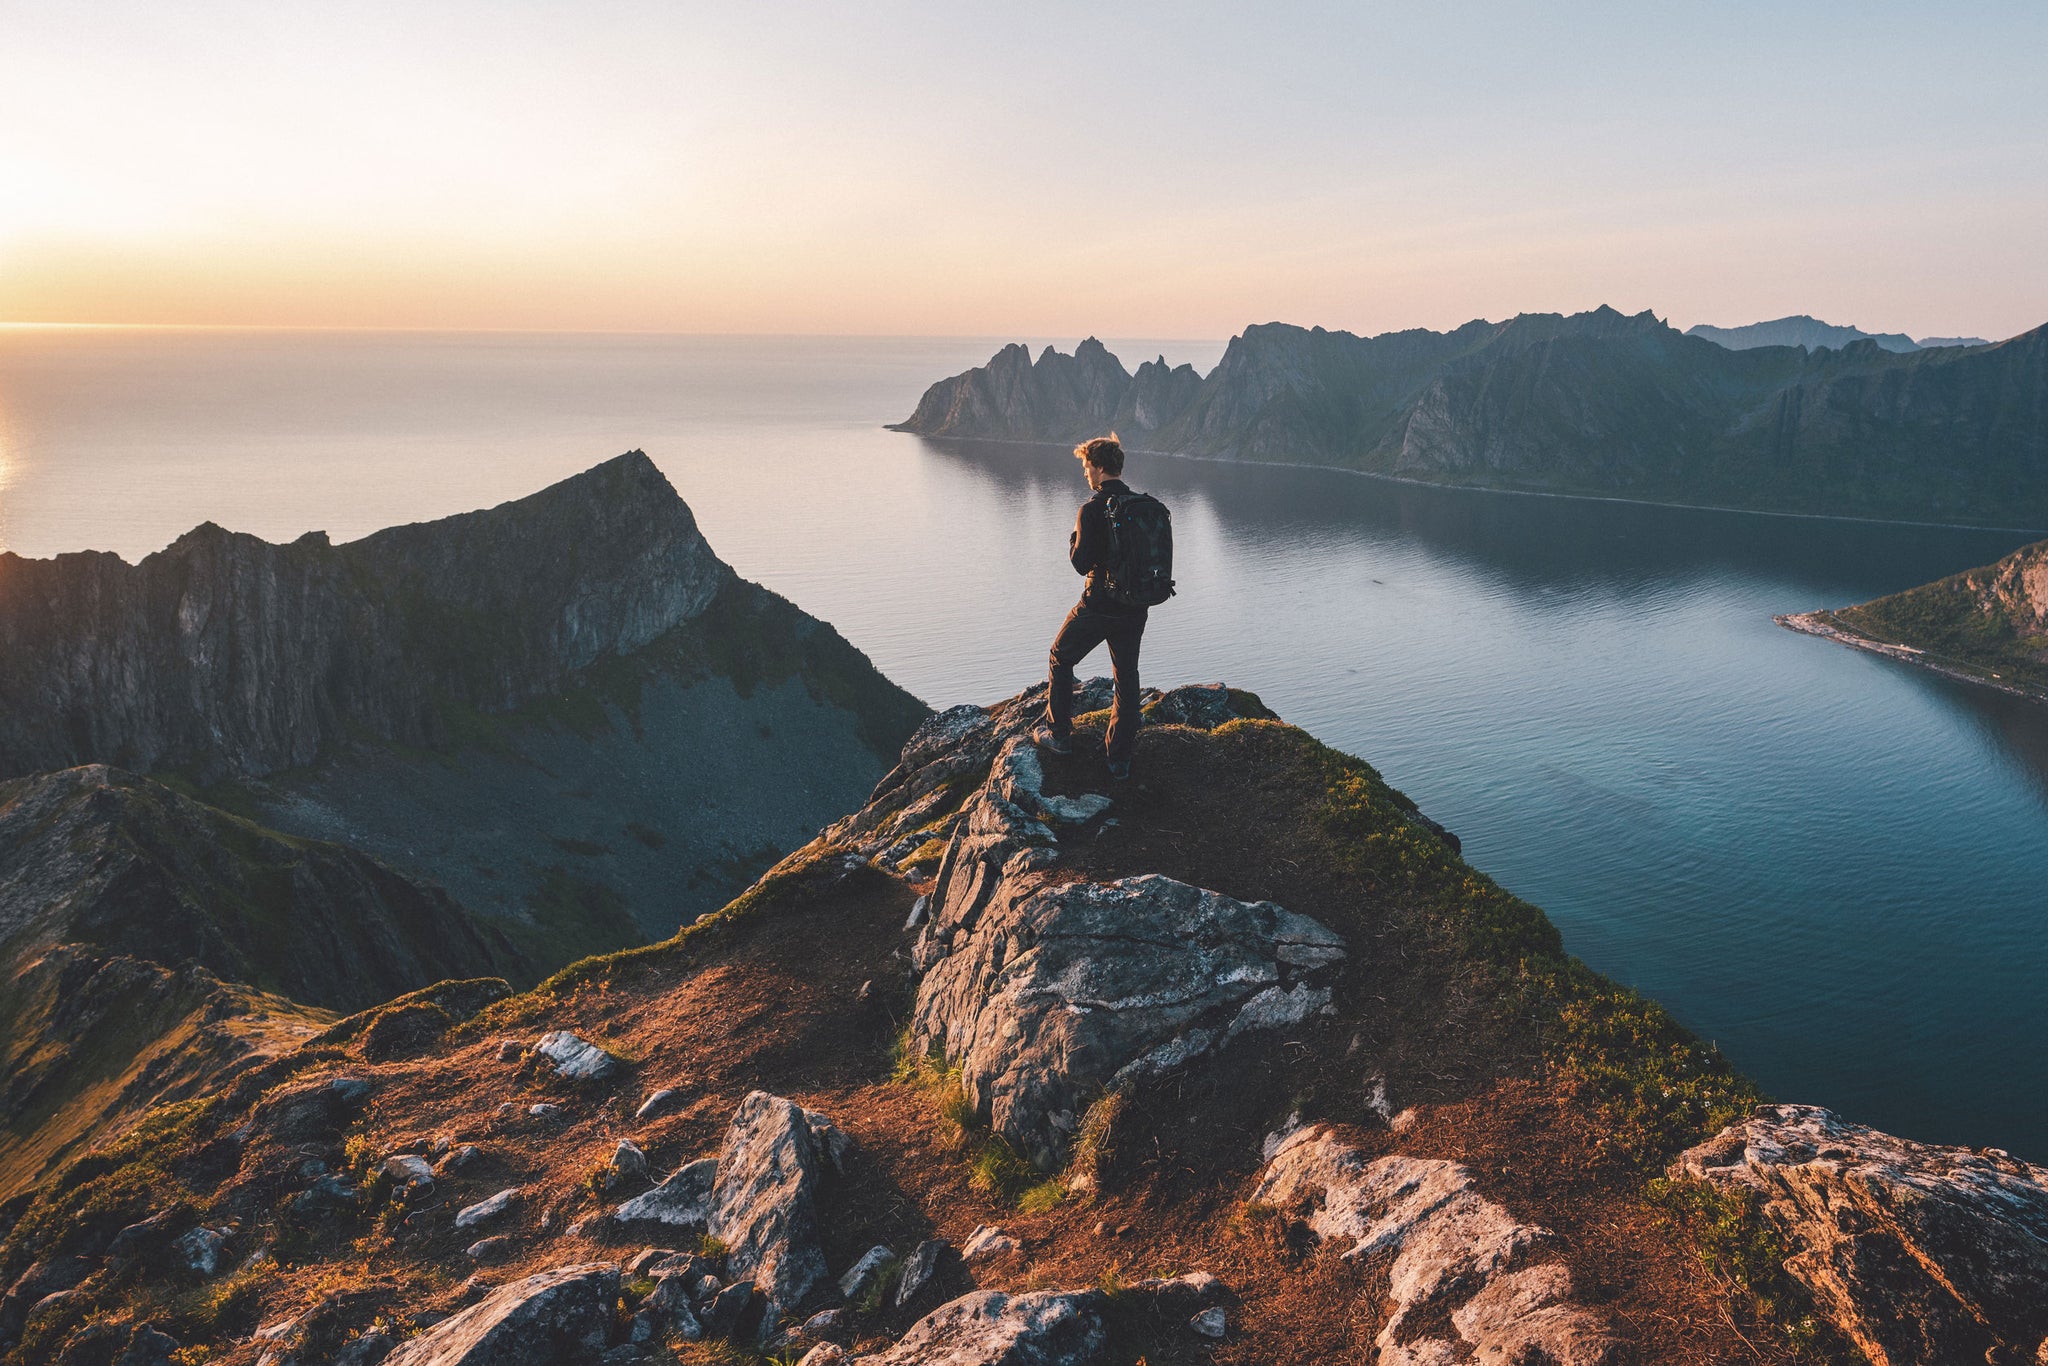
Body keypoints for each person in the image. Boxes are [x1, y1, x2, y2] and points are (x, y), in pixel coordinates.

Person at [1041, 434, 1154, 779]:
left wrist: (1074, 539)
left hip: (1097, 606)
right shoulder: (1142, 506)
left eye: (1087, 467)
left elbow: (1080, 563)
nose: (1085, 474)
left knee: (1060, 657)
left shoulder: (1090, 509)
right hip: (1134, 608)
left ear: (1101, 468)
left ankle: (1059, 736)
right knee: (1126, 677)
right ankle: (1119, 759)